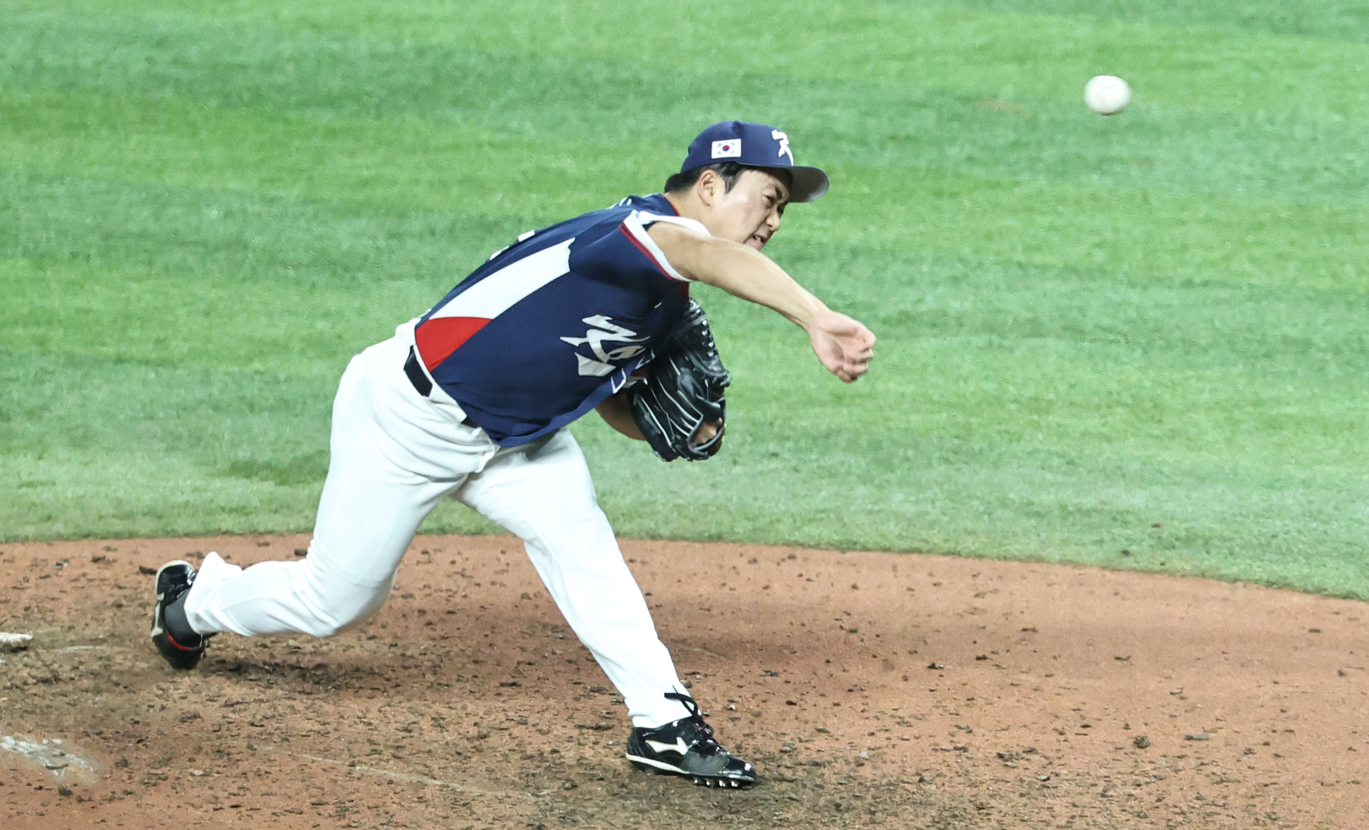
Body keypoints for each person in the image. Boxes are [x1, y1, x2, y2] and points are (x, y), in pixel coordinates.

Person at [149, 120, 876, 788]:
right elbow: (707, 253)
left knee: (583, 545)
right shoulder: (630, 235)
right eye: (768, 198)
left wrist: (682, 432)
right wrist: (816, 317)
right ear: (711, 186)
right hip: (409, 414)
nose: (775, 221)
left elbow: (612, 403)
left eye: (783, 208)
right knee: (337, 601)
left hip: (517, 439)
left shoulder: (665, 303)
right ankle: (194, 603)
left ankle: (663, 723)